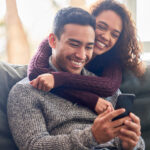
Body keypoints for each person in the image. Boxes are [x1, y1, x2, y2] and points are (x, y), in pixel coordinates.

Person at [7, 7, 144, 150]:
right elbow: (34, 146)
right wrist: (92, 137)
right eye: (74, 44)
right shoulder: (25, 92)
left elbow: (138, 143)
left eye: (88, 47)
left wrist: (132, 143)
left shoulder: (106, 89)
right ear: (53, 41)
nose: (81, 55)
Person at [27, 0, 145, 114]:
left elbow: (108, 87)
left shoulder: (112, 58)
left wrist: (59, 79)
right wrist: (90, 100)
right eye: (102, 27)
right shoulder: (57, 41)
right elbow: (36, 72)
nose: (106, 37)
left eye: (114, 34)